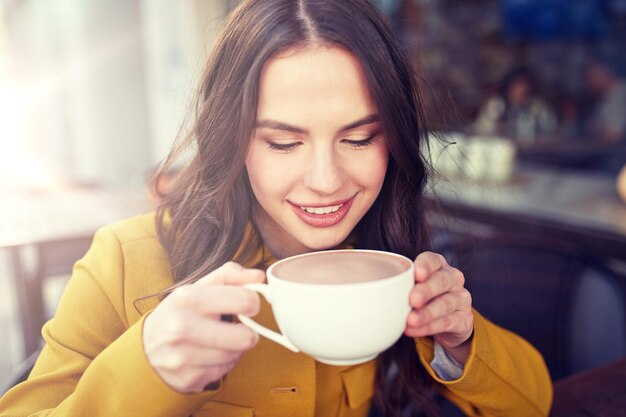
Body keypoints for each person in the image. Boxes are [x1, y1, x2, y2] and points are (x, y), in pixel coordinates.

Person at [0, 1, 552, 416]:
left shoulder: (387, 260)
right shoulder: (126, 262)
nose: (325, 181)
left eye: (359, 139)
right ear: (233, 140)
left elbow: (536, 402)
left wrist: (461, 340)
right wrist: (144, 368)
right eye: (283, 143)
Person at [474, 67, 557, 144]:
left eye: (526, 85)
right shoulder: (496, 105)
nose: (523, 89)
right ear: (510, 86)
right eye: (519, 84)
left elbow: (549, 130)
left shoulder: (537, 107)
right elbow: (482, 130)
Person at [584, 59, 626, 143]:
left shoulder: (621, 93)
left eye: (591, 78)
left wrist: (597, 129)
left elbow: (614, 135)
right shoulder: (603, 96)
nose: (589, 83)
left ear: (604, 75)